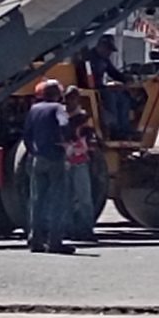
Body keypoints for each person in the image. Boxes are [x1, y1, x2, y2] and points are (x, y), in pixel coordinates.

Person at [22, 80, 74, 254]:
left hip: (38, 158)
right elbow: (64, 125)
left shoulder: (33, 110)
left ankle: (35, 240)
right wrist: (67, 142)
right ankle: (54, 242)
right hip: (55, 157)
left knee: (37, 200)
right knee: (58, 200)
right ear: (57, 94)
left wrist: (33, 151)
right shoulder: (58, 108)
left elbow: (27, 135)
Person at [81, 34, 136, 138]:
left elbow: (113, 72)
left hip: (101, 88)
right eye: (108, 49)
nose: (109, 53)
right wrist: (101, 88)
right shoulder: (88, 58)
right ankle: (113, 129)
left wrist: (126, 79)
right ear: (101, 46)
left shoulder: (104, 60)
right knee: (111, 97)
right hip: (91, 89)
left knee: (124, 98)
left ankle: (124, 128)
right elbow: (87, 78)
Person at [63, 87, 100, 243]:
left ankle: (85, 229)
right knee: (68, 198)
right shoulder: (64, 115)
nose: (69, 101)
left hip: (78, 160)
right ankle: (69, 229)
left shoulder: (82, 117)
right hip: (67, 161)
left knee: (83, 198)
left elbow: (90, 138)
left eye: (72, 98)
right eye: (68, 98)